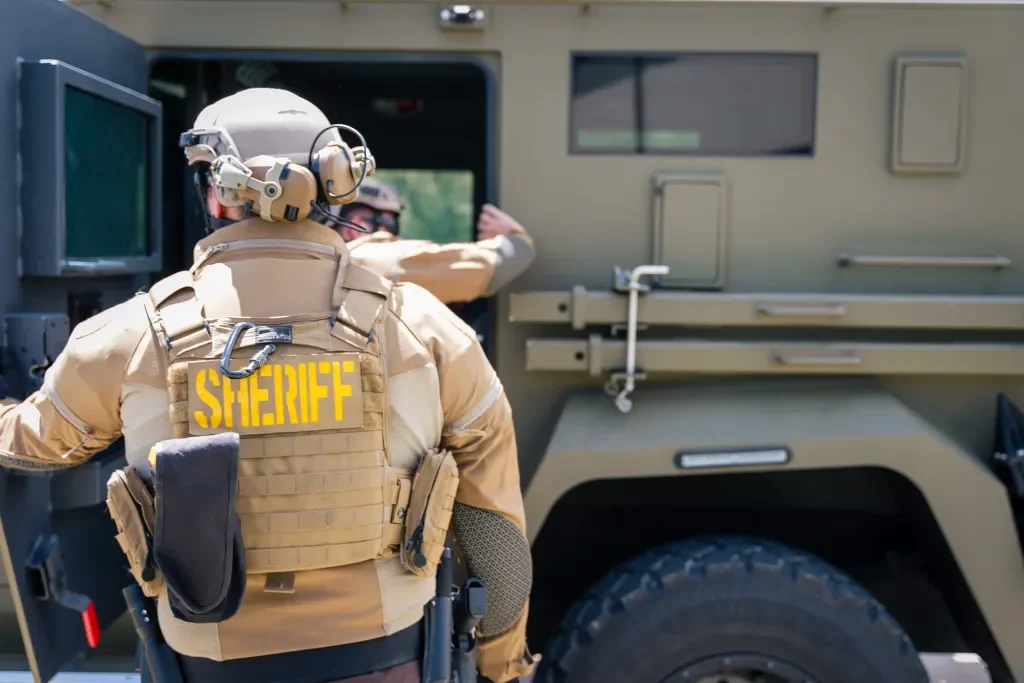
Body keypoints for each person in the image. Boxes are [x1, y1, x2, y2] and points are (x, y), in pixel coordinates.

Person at [0, 88, 536, 683]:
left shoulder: (131, 334)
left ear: (219, 192)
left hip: (203, 666)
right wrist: (500, 666)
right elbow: (495, 533)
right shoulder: (427, 329)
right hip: (390, 661)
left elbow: (35, 444)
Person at [323, 177, 536, 304]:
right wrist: (517, 240)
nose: (394, 236)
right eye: (389, 225)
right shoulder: (372, 259)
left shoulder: (315, 263)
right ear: (356, 226)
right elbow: (493, 267)